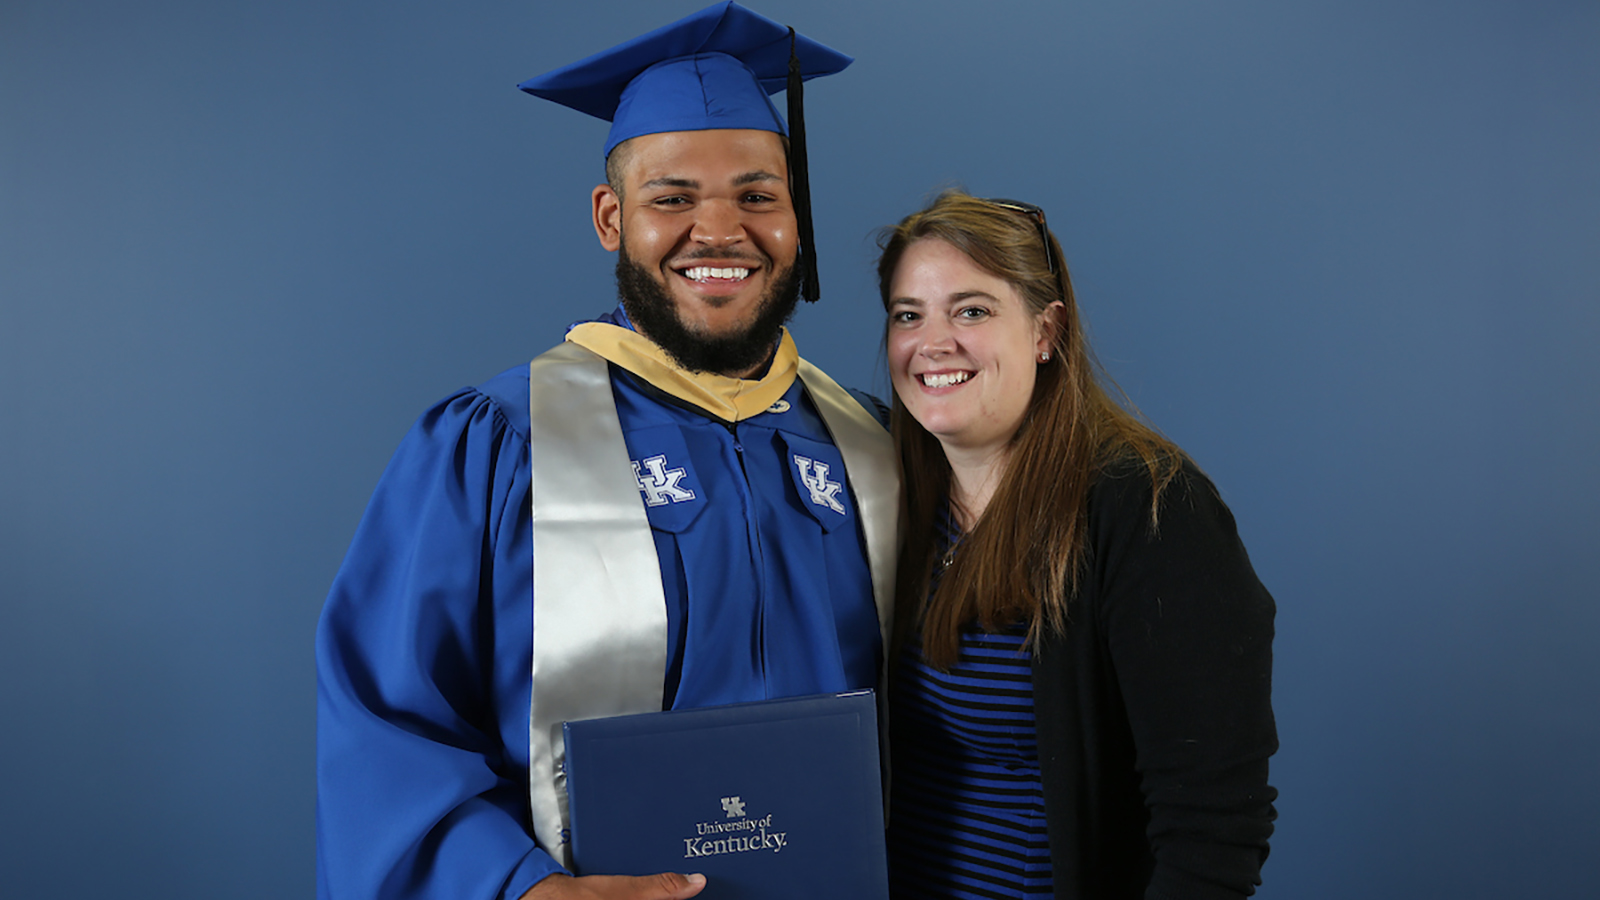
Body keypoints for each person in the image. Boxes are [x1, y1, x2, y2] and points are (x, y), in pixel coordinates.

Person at [314, 5, 898, 900]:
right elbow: (386, 727)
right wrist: (517, 888)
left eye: (757, 196)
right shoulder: (502, 444)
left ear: (797, 217)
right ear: (609, 217)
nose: (720, 231)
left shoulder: (871, 447)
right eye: (672, 198)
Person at [876, 191, 1277, 899]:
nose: (933, 342)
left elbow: (1212, 833)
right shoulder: (887, 493)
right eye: (909, 315)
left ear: (1046, 330)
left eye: (972, 311)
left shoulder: (1149, 509)